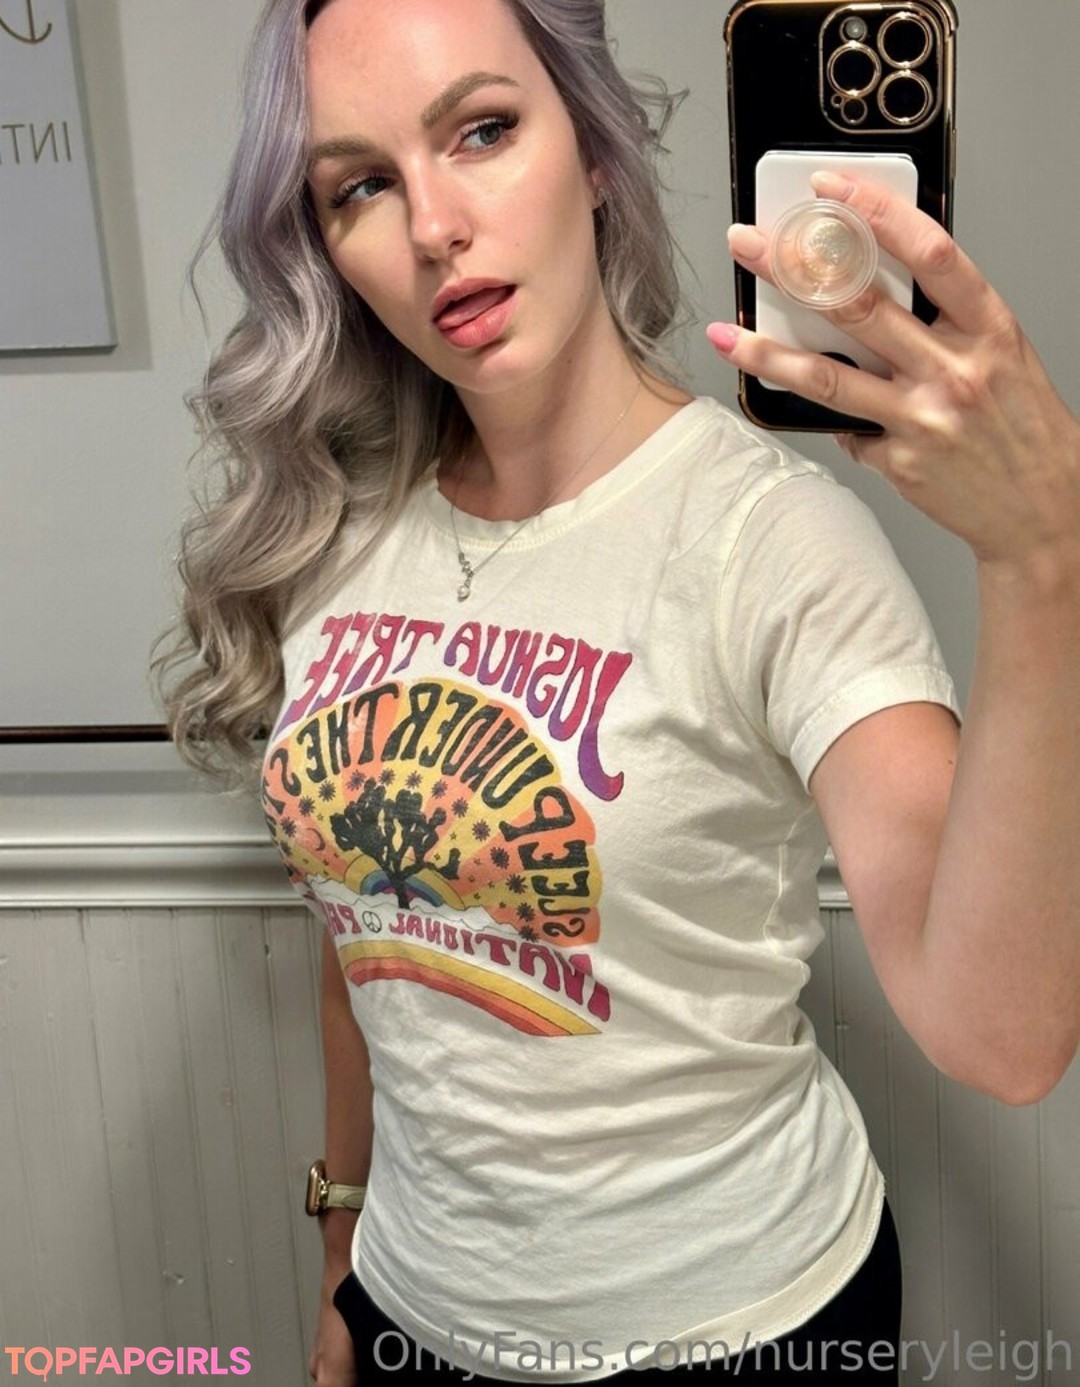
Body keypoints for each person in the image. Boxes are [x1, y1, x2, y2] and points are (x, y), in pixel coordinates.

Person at [154, 1, 1080, 1384]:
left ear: (593, 150)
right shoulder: (331, 539)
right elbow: (370, 946)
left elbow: (1002, 1040)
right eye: (361, 187)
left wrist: (1044, 555)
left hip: (733, 1333)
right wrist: (346, 1249)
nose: (433, 228)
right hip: (414, 1309)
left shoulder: (769, 538)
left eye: (483, 131)